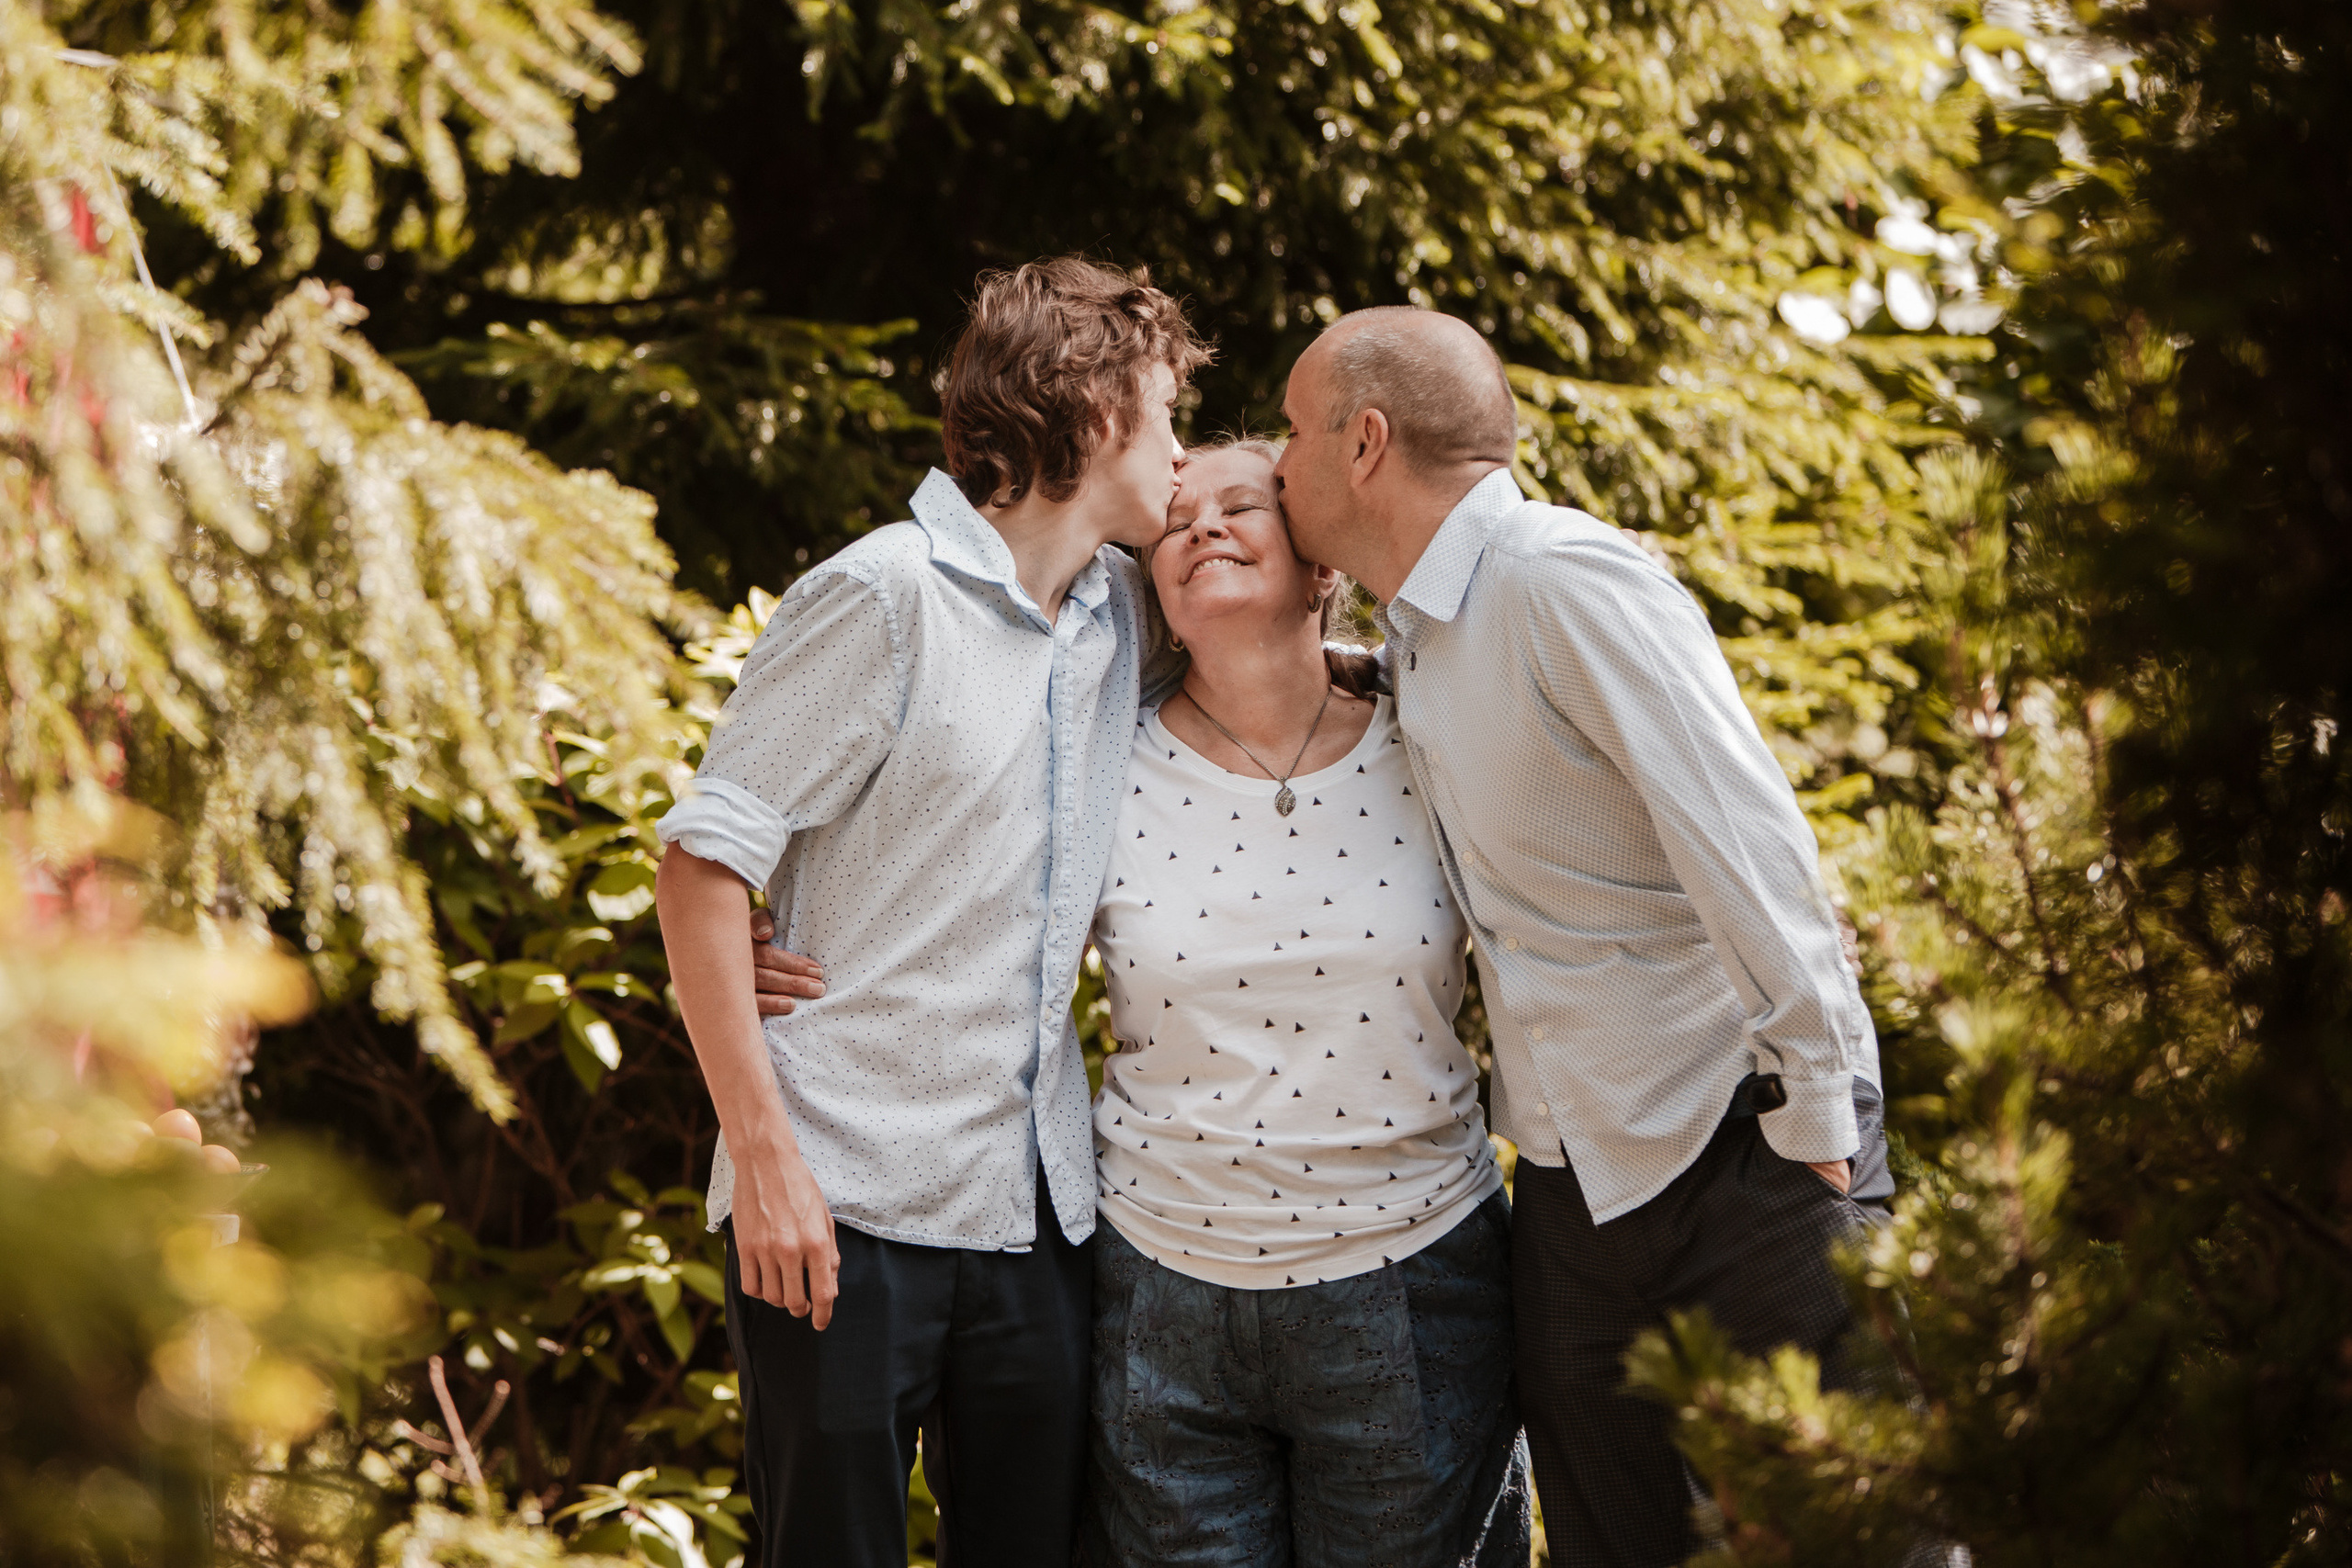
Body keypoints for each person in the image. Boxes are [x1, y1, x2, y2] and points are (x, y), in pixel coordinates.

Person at [1270, 308, 1896, 1568]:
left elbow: (1752, 843)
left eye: (1290, 431)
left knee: (1863, 1542)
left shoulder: (1565, 579)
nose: (1275, 463)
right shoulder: (1417, 631)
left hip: (1746, 1151)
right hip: (1570, 1186)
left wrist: (1821, 1138)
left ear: (1366, 443)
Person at [653, 254, 1208, 1568]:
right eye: (1169, 414)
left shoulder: (1119, 616)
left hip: (1033, 1208)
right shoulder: (883, 593)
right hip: (837, 1197)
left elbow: (1269, 651)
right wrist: (769, 1158)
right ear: (1093, 412)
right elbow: (702, 866)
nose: (1183, 455)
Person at [1080, 439, 1526, 1567]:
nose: (1204, 529)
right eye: (1175, 522)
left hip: (1414, 1281)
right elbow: (959, 913)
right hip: (1162, 1294)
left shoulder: (1429, 725)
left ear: (1321, 562)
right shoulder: (1091, 761)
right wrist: (771, 934)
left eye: (1243, 507)